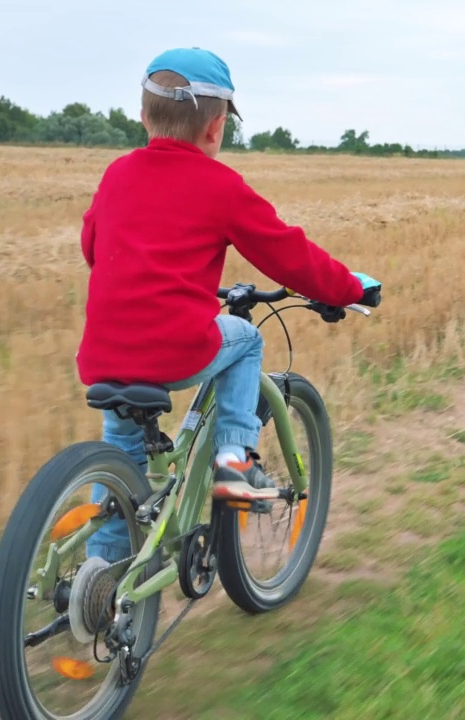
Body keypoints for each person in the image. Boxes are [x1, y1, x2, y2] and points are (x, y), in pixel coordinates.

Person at [76, 47, 382, 562]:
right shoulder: (220, 186)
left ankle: (102, 584)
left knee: (122, 467)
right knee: (246, 340)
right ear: (216, 128)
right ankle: (233, 462)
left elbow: (92, 247)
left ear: (143, 115)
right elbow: (289, 255)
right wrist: (347, 288)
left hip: (106, 354)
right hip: (177, 350)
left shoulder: (117, 174)